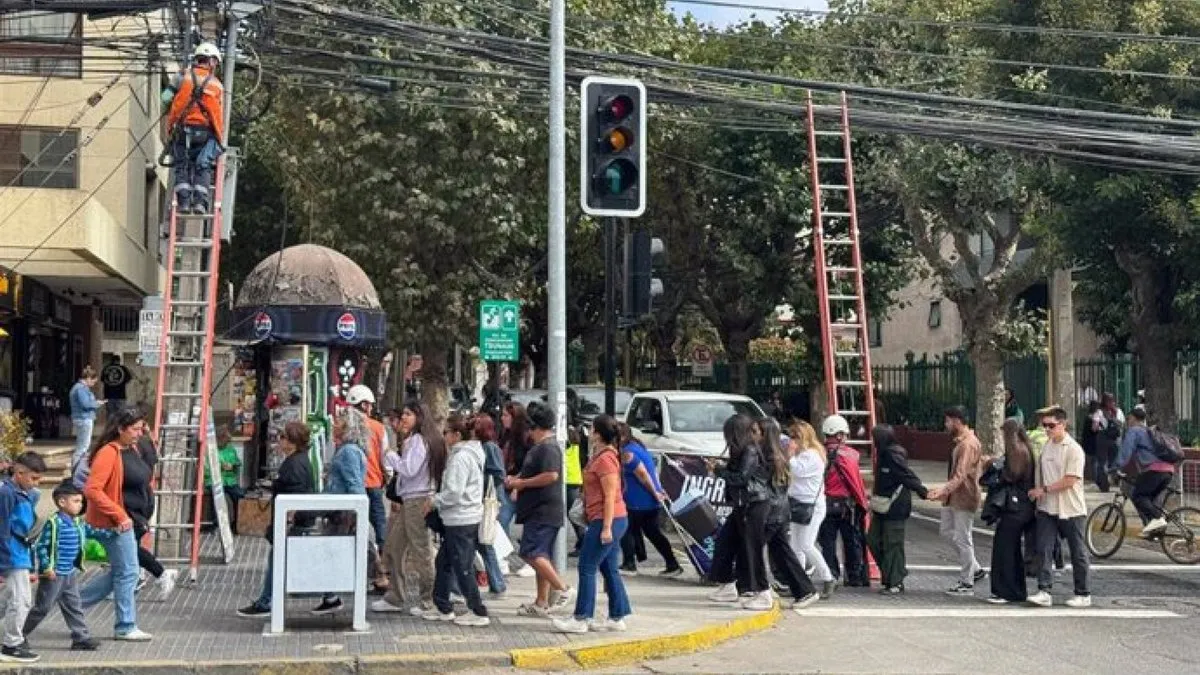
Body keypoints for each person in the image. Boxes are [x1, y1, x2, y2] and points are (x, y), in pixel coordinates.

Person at [553, 415, 632, 633]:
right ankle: (617, 616)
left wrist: (605, 527)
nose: (588, 432)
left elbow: (609, 496)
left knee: (587, 566)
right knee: (609, 568)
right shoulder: (603, 455)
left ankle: (581, 618)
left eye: (591, 429)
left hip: (607, 519)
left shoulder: (606, 459)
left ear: (597, 433)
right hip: (611, 518)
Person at [81, 407, 152, 641]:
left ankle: (73, 603)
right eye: (135, 429)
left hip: (130, 520)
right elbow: (92, 490)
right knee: (128, 572)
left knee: (121, 572)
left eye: (141, 428)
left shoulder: (131, 448)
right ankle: (125, 625)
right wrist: (119, 515)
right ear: (121, 429)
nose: (139, 433)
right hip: (116, 523)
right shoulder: (109, 452)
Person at [236, 422, 316, 618]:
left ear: (292, 442)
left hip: (293, 524)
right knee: (295, 560)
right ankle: (329, 596)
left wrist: (288, 520)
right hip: (295, 523)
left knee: (285, 560)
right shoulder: (298, 461)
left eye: (283, 437)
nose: (279, 441)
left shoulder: (294, 464)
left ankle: (266, 601)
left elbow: (295, 495)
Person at [506, 401, 575, 617]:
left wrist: (522, 483)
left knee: (532, 553)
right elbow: (531, 472)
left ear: (535, 427)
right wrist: (517, 481)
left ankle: (562, 588)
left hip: (543, 510)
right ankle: (541, 601)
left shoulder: (548, 448)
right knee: (541, 555)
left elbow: (551, 475)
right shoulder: (540, 448)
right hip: (536, 509)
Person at [374, 402, 442, 616]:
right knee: (395, 547)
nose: (403, 417)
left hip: (416, 500)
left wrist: (390, 455)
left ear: (419, 417)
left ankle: (428, 599)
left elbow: (409, 469)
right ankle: (395, 596)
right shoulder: (416, 439)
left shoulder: (419, 441)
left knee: (421, 550)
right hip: (410, 499)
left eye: (408, 414)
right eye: (403, 413)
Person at [425, 414, 490, 627]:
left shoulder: (461, 457)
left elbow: (454, 491)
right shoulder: (471, 454)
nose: (443, 437)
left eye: (446, 432)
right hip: (461, 516)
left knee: (462, 566)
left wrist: (435, 501)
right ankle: (442, 605)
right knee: (444, 562)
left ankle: (477, 610)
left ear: (457, 435)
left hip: (461, 517)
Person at [23, 481, 99, 652]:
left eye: (81, 501)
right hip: (54, 574)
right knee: (42, 608)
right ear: (62, 502)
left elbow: (91, 531)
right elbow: (41, 546)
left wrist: (112, 531)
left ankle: (81, 638)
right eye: (76, 501)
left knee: (74, 606)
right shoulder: (54, 523)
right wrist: (46, 567)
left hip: (69, 573)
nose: (80, 505)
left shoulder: (77, 522)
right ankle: (18, 635)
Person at [1027, 406, 1091, 608]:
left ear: (1063, 425)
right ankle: (1044, 589)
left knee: (1077, 551)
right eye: (1044, 425)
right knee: (1043, 548)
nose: (1047, 429)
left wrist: (1044, 489)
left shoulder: (1073, 449)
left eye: (1051, 425)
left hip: (1071, 508)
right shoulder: (1047, 446)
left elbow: (1070, 480)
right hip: (1047, 507)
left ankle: (1083, 592)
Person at [754, 418, 819, 610]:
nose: (752, 436)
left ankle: (760, 590)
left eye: (756, 432)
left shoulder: (773, 456)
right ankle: (804, 590)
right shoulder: (775, 453)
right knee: (781, 552)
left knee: (754, 550)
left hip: (773, 511)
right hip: (779, 510)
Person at [311, 409, 372, 616]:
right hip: (341, 511)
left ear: (347, 427)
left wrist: (357, 513)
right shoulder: (350, 450)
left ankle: (331, 596)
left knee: (332, 553)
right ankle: (330, 595)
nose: (334, 425)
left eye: (338, 422)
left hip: (342, 513)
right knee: (332, 553)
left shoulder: (348, 452)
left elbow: (354, 485)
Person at [927, 405, 986, 596]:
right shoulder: (961, 442)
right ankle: (975, 568)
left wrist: (943, 490)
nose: (946, 425)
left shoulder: (968, 444)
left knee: (963, 538)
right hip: (954, 496)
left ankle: (967, 581)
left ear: (957, 421)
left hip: (965, 496)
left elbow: (961, 474)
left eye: (948, 421)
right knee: (946, 531)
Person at [115, 422, 177, 600]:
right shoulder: (144, 442)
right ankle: (142, 577)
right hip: (142, 501)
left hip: (134, 503)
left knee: (128, 549)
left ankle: (159, 573)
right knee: (128, 548)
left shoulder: (134, 446)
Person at [865, 424, 929, 595]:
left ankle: (895, 580)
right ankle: (891, 573)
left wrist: (922, 491)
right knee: (873, 539)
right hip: (882, 505)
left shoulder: (892, 455)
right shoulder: (884, 454)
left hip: (895, 506)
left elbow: (906, 475)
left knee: (893, 543)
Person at [164, 42, 225, 214]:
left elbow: (165, 98)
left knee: (181, 164)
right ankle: (200, 203)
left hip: (181, 130)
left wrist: (172, 110)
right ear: (211, 61)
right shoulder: (217, 85)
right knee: (203, 166)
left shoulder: (181, 77)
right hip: (206, 133)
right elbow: (218, 114)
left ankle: (183, 203)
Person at [617, 423, 682, 577]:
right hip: (649, 501)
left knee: (626, 529)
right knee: (653, 533)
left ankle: (629, 564)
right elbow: (651, 471)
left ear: (622, 437)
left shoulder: (627, 454)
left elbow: (643, 475)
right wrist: (658, 491)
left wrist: (655, 492)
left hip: (639, 501)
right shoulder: (638, 447)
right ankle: (672, 564)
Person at [0, 452, 46, 662]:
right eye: (33, 478)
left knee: (9, 599)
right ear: (19, 473)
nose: (36, 483)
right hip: (12, 554)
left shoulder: (25, 493)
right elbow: (2, 529)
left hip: (19, 552)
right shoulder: (7, 494)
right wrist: (3, 562)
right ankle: (12, 644)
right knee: (21, 601)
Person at [817, 415, 869, 588]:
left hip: (825, 504)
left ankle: (831, 574)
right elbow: (856, 483)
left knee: (827, 543)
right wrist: (863, 504)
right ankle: (854, 576)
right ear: (839, 435)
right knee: (851, 541)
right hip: (847, 506)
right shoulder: (851, 455)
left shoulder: (818, 453)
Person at [987, 420, 1036, 604]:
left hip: (1015, 508)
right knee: (1012, 549)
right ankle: (1015, 590)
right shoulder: (1025, 448)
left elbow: (1011, 475)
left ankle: (1005, 590)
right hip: (1023, 506)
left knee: (1005, 549)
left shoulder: (1017, 451)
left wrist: (994, 467)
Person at [787, 420, 836, 598]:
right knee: (796, 546)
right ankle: (799, 583)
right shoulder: (803, 454)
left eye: (795, 437)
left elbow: (798, 472)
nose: (792, 440)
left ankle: (828, 578)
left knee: (806, 544)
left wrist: (790, 455)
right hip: (798, 503)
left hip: (811, 506)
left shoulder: (812, 455)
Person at [1114, 407, 1174, 537]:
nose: (1128, 421)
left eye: (1128, 419)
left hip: (1155, 470)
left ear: (1133, 418)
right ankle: (1154, 531)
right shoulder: (1150, 431)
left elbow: (1126, 452)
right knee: (1149, 501)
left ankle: (1158, 519)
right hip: (1168, 470)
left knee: (1138, 496)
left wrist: (1115, 467)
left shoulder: (1134, 431)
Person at [346, 385, 389, 565]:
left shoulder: (344, 427)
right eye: (370, 405)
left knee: (352, 523)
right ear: (364, 405)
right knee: (379, 524)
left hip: (352, 484)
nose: (371, 408)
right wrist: (387, 476)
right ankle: (383, 561)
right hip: (374, 482)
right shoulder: (378, 428)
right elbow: (385, 457)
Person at [473, 415, 507, 596]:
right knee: (482, 543)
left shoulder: (489, 447)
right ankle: (496, 582)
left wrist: (481, 480)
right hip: (482, 499)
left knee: (484, 542)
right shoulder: (482, 446)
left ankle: (497, 582)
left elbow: (498, 474)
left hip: (486, 500)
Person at [499, 402, 531, 537]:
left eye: (506, 415)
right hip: (506, 484)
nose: (502, 418)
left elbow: (530, 465)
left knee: (502, 521)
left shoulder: (526, 437)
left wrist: (518, 485)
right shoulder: (506, 435)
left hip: (520, 485)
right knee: (500, 523)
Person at [204, 425, 243, 536]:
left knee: (239, 496)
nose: (227, 442)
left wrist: (232, 465)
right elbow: (206, 469)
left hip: (229, 481)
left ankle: (235, 524)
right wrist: (220, 467)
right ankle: (215, 525)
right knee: (217, 496)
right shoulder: (210, 450)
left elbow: (237, 463)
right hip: (214, 480)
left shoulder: (230, 448)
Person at [69, 366, 102, 472]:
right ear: (88, 378)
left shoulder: (79, 388)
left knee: (82, 445)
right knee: (83, 446)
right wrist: (96, 403)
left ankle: (77, 468)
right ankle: (76, 469)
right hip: (84, 418)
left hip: (81, 418)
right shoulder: (81, 389)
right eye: (93, 381)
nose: (93, 384)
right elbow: (86, 404)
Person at [1092, 393, 1125, 493]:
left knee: (1102, 462)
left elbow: (1094, 428)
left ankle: (1104, 485)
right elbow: (1122, 424)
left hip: (1102, 438)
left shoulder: (1099, 412)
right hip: (1114, 439)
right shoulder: (1118, 411)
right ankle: (1115, 480)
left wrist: (1099, 424)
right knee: (1114, 461)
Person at [564, 426, 586, 557]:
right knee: (573, 514)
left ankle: (583, 542)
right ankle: (582, 543)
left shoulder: (566, 446)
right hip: (574, 480)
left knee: (574, 515)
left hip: (569, 481)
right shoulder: (576, 445)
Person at [99, 356, 132, 421]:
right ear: (119, 361)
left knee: (110, 414)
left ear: (111, 360)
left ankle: (110, 426)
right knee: (121, 414)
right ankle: (119, 427)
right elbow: (128, 379)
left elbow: (102, 379)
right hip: (120, 395)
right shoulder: (123, 368)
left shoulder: (106, 368)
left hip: (109, 395)